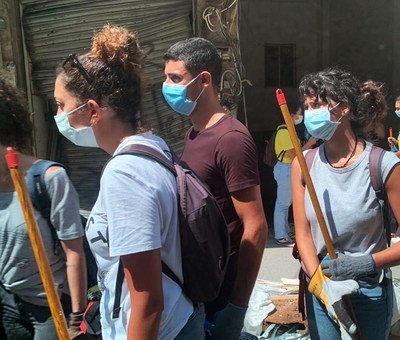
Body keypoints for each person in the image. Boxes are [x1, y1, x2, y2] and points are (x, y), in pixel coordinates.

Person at [54, 25, 202, 339]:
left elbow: (147, 301)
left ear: (92, 110)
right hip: (180, 317)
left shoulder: (125, 175)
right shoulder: (153, 146)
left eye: (61, 105)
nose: (58, 115)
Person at [292, 68, 400, 339]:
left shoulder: (383, 165)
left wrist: (365, 264)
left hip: (370, 290)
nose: (309, 113)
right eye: (307, 106)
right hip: (323, 286)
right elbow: (303, 232)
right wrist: (319, 284)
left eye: (317, 104)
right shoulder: (303, 163)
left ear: (343, 108)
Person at [162, 37, 268, 339]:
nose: (167, 87)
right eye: (166, 78)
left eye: (175, 78)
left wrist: (237, 307)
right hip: (199, 282)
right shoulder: (195, 133)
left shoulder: (231, 139)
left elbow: (255, 226)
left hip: (222, 292)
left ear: (204, 80)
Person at [0, 79, 87, 339]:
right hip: (8, 302)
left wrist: (76, 319)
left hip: (51, 308)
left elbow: (74, 254)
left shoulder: (48, 178)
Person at [273, 106, 315, 246]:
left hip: (287, 168)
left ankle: (284, 231)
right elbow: (294, 156)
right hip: (286, 168)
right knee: (283, 204)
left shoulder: (289, 130)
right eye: (298, 114)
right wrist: (310, 144)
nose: (300, 117)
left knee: (286, 203)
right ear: (289, 114)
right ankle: (281, 235)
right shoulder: (284, 132)